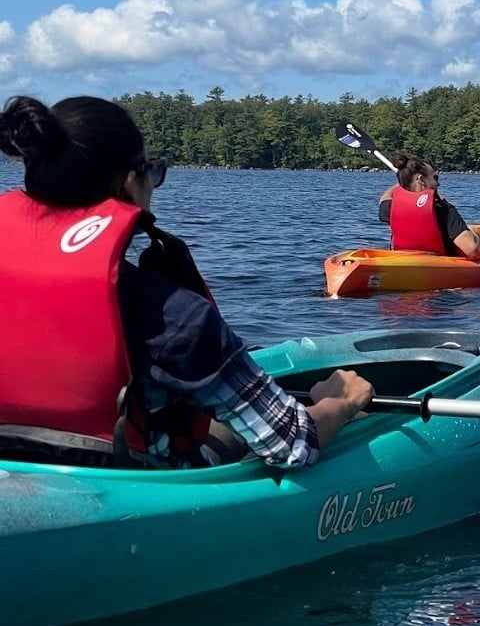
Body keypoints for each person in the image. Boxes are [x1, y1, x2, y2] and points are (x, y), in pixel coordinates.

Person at [0, 95, 374, 469]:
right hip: (131, 491)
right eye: (154, 170)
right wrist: (339, 402)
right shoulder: (172, 318)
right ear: (131, 182)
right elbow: (293, 444)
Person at [378, 154, 480, 257]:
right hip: (439, 265)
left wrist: (405, 182)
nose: (438, 184)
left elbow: (385, 197)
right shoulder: (443, 209)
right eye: (435, 178)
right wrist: (475, 235)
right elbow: (471, 249)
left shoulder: (391, 207)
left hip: (403, 260)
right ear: (421, 180)